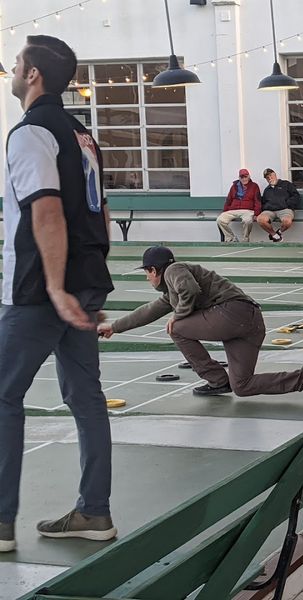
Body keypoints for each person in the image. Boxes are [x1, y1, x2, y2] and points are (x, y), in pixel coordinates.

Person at [0, 35, 117, 553]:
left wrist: (54, 286)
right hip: (82, 283)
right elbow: (101, 212)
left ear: (33, 75)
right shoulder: (81, 134)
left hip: (38, 290)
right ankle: (95, 510)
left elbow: (46, 210)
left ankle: (1, 523)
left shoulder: (31, 132)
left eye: (16, 63)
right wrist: (89, 282)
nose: (11, 70)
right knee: (86, 398)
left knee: (3, 396)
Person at [98, 246, 303, 402]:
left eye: (146, 272)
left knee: (177, 328)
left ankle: (216, 380)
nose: (146, 277)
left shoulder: (173, 270)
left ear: (154, 269)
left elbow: (189, 289)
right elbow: (147, 312)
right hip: (249, 322)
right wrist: (114, 327)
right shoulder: (171, 292)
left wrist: (177, 316)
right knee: (242, 386)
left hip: (231, 312)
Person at [217, 169, 261, 243]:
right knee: (220, 220)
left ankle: (245, 239)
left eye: (245, 177)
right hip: (233, 209)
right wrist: (225, 211)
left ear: (249, 176)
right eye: (242, 177)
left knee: (247, 221)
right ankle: (231, 238)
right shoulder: (234, 186)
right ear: (239, 178)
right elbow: (228, 200)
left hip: (247, 210)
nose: (244, 179)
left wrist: (256, 214)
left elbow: (258, 201)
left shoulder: (254, 186)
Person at [257, 168, 301, 242]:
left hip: (285, 209)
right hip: (270, 211)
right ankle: (275, 235)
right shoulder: (267, 190)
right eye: (267, 177)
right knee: (260, 219)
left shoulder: (286, 184)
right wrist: (266, 207)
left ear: (275, 174)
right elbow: (264, 202)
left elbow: (296, 196)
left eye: (271, 175)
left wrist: (287, 203)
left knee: (287, 221)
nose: (269, 178)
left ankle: (279, 232)